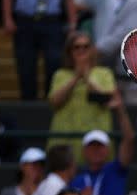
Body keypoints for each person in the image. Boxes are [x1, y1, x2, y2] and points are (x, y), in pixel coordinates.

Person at [48, 32, 117, 163]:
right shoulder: (60, 75)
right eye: (77, 47)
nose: (82, 50)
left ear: (92, 50)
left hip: (95, 138)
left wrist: (86, 78)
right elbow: (54, 102)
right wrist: (75, 79)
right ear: (70, 52)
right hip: (66, 137)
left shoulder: (104, 73)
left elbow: (108, 100)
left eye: (86, 47)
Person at [2, 0, 75, 100]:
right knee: (25, 67)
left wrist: (72, 24)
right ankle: (28, 105)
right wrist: (7, 18)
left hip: (52, 22)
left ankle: (52, 101)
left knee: (54, 63)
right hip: (25, 21)